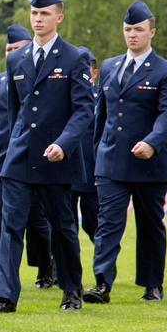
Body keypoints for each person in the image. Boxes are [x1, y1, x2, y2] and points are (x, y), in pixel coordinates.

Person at [0, 0, 94, 314]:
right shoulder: (16, 59)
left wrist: (64, 144)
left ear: (59, 16)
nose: (38, 19)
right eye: (34, 13)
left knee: (61, 226)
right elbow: (16, 111)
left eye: (45, 13)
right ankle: (5, 296)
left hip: (56, 157)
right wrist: (16, 143)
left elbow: (84, 109)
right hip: (19, 157)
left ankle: (71, 289)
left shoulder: (75, 58)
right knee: (10, 225)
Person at [83, 0, 167, 304]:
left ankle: (152, 284)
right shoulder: (111, 66)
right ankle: (102, 282)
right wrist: (96, 151)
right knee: (108, 222)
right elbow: (102, 115)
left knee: (150, 224)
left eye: (138, 29)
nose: (132, 35)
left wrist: (152, 141)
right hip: (112, 160)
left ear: (152, 32)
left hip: (149, 162)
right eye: (128, 30)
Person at [0, 25, 32, 292]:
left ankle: (47, 267)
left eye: (18, 48)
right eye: (9, 50)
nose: (13, 53)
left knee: (38, 224)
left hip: (32, 162)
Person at [72, 47, 99, 244]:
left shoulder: (102, 97)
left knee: (94, 223)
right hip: (67, 167)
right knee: (65, 225)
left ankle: (104, 264)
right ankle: (62, 271)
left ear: (94, 73)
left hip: (92, 171)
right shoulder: (65, 94)